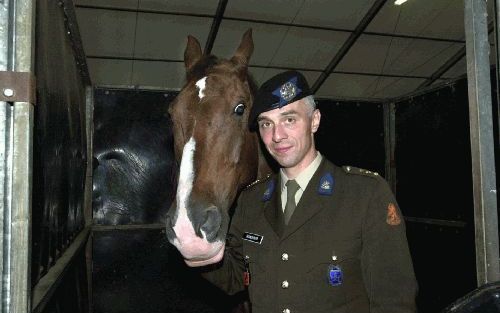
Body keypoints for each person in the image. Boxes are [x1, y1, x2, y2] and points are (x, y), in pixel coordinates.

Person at [202, 70, 418, 313]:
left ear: (314, 121)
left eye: (289, 119)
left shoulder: (364, 194)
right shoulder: (251, 200)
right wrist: (199, 254)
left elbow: (394, 301)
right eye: (266, 124)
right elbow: (233, 276)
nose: (277, 135)